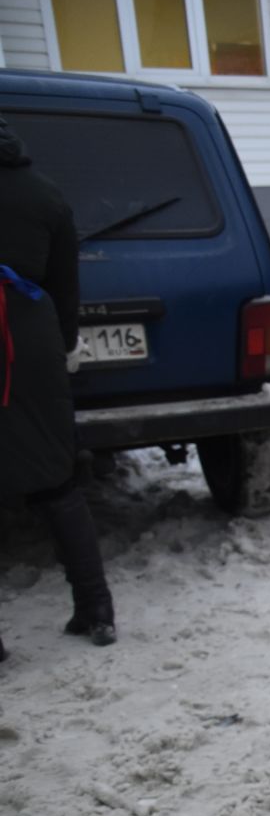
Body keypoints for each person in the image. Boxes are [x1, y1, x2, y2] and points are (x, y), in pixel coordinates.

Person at [0, 115, 115, 659]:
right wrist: (57, 345)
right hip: (31, 342)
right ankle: (96, 610)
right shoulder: (43, 194)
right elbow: (66, 289)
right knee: (56, 478)